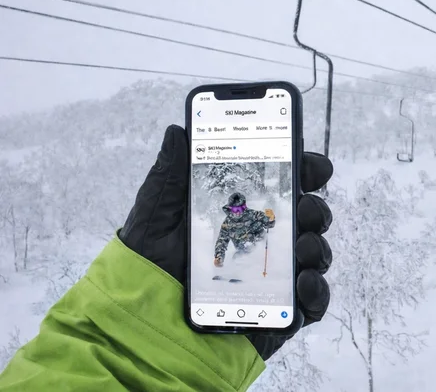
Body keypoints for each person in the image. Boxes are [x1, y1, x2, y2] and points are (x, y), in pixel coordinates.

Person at [0, 125, 334, 391]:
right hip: (239, 256)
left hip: (255, 249)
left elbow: (262, 222)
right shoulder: (230, 222)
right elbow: (220, 240)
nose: (234, 211)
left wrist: (272, 221)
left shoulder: (248, 215)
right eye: (231, 209)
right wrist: (217, 260)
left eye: (236, 208)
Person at [214, 192, 276, 267]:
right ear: (230, 208)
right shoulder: (227, 223)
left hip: (258, 246)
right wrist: (219, 256)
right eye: (234, 209)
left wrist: (270, 219)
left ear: (244, 207)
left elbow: (269, 223)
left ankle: (253, 269)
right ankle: (238, 273)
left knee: (242, 256)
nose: (237, 212)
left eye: (239, 209)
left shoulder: (253, 215)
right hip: (241, 249)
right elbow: (222, 240)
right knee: (237, 257)